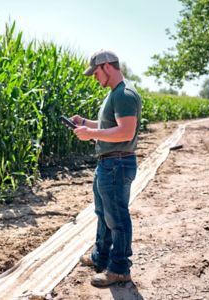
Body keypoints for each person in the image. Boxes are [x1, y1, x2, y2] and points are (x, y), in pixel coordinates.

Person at [71, 50, 141, 287]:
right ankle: (100, 257)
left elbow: (126, 132)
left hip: (117, 164)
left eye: (96, 72)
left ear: (107, 67)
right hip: (109, 163)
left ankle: (120, 269)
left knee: (117, 218)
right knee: (103, 213)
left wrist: (91, 134)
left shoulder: (124, 94)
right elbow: (109, 126)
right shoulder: (114, 94)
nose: (94, 77)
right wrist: (85, 124)